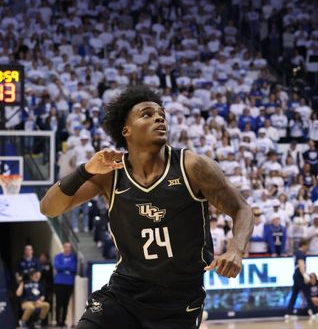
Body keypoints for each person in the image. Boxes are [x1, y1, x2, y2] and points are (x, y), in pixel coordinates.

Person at [39, 86, 255, 329]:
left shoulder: (192, 166)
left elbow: (242, 209)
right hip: (124, 292)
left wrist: (236, 250)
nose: (159, 117)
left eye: (161, 113)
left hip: (179, 299)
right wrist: (85, 170)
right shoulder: (110, 175)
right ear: (126, 131)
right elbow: (49, 207)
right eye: (147, 114)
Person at [53, 242, 78, 328]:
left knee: (65, 303)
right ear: (63, 247)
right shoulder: (58, 256)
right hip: (58, 282)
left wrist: (63, 267)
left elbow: (73, 268)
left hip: (68, 283)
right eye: (66, 247)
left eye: (69, 247)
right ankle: (57, 321)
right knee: (58, 302)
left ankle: (63, 321)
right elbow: (57, 266)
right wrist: (67, 267)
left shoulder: (73, 257)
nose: (67, 248)